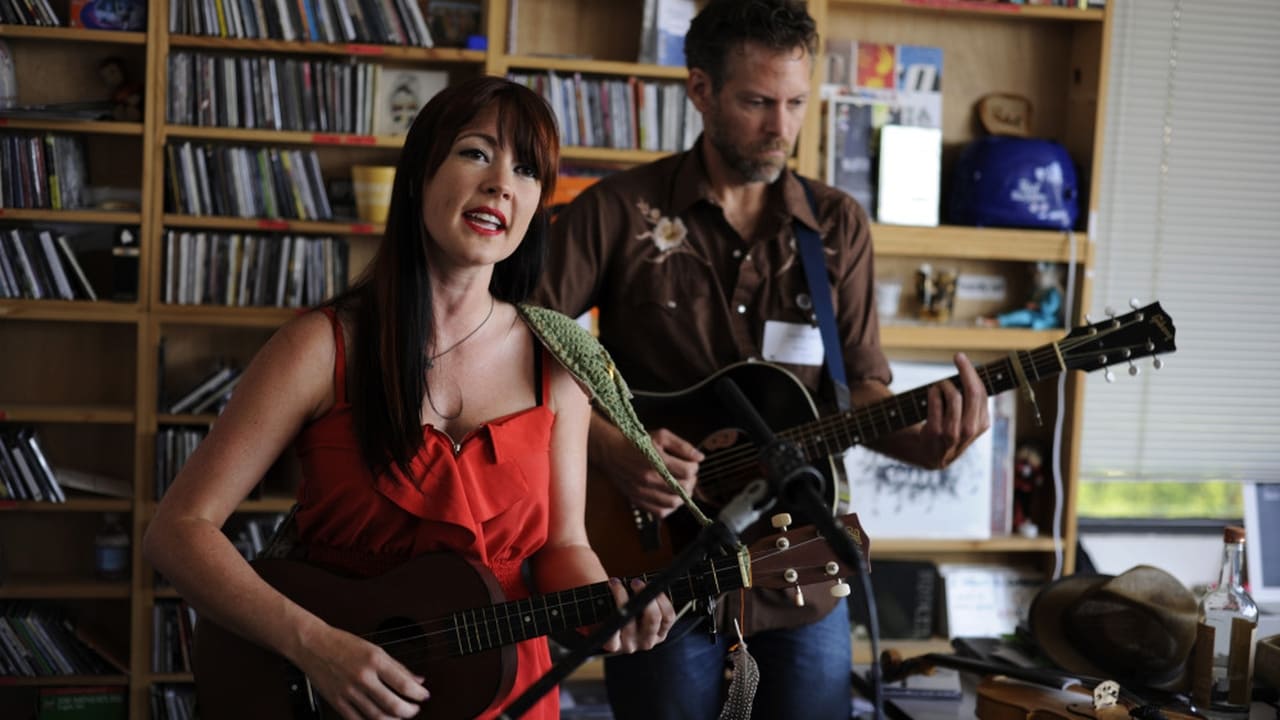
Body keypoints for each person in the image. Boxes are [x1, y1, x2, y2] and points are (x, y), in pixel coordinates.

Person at [144, 76, 675, 720]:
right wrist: (315, 646)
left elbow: (563, 546)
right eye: (476, 152)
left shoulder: (557, 362)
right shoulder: (321, 345)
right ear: (421, 172)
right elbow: (178, 532)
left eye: (528, 169)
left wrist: (605, 612)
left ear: (538, 204)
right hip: (328, 689)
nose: (501, 183)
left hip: (509, 692)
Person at [533, 1, 991, 717]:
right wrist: (611, 446)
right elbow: (523, 352)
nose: (782, 128)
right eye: (756, 102)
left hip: (802, 556)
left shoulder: (836, 224)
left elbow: (859, 390)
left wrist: (925, 444)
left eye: (797, 102)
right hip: (658, 552)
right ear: (701, 91)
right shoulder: (616, 210)